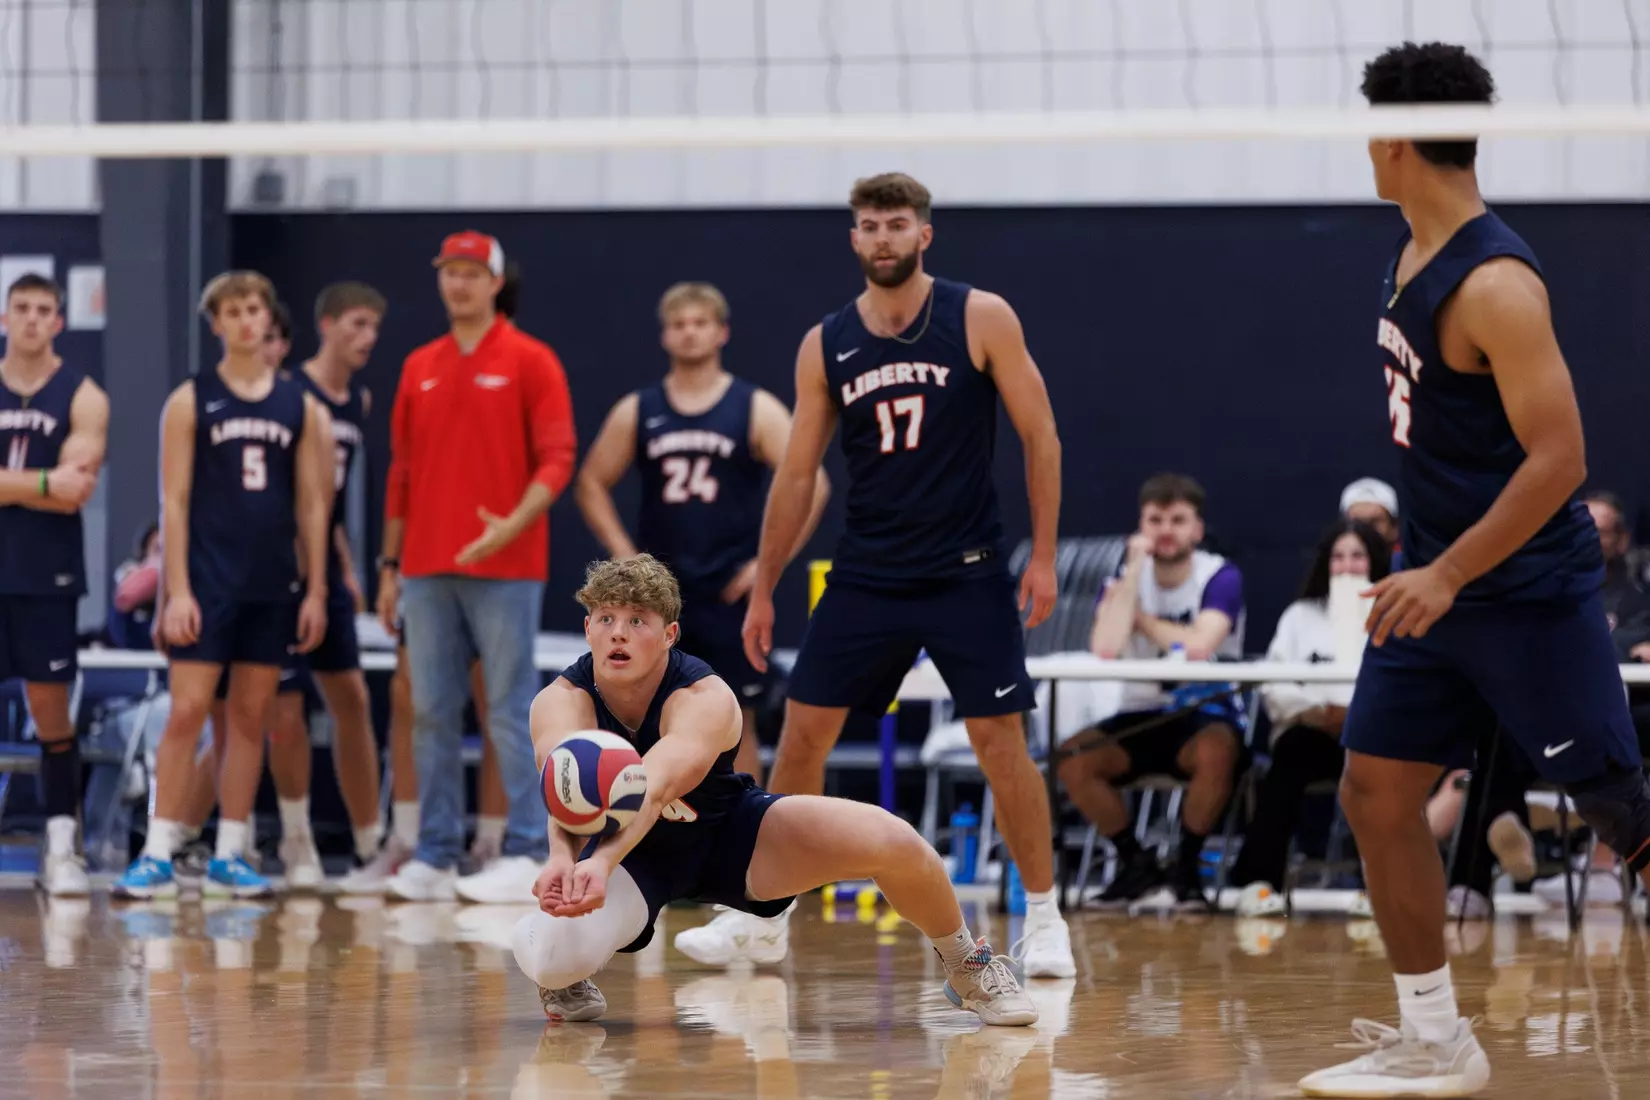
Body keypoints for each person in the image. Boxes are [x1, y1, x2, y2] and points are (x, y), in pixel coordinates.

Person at [1300, 43, 1650, 1098]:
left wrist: (1446, 571)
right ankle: (1435, 1039)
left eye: (1371, 127)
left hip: (1521, 598)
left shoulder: (1495, 281)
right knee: (1374, 789)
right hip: (1435, 584)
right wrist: (1431, 569)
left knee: (1626, 819)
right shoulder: (1410, 249)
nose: (1365, 146)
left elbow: (1564, 460)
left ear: (1397, 137)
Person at [689, 172, 1075, 978]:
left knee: (1002, 744)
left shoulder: (979, 315)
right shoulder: (825, 341)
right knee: (800, 739)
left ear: (924, 234)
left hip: (966, 570)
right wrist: (764, 586)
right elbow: (796, 474)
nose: (883, 238)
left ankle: (1044, 919)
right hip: (867, 572)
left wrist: (1041, 555)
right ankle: (765, 918)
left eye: (897, 224)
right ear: (854, 238)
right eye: (868, 226)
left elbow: (1042, 436)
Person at [511, 555, 1038, 1028]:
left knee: (893, 839)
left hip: (728, 834)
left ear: (670, 634)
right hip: (632, 860)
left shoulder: (703, 695)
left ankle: (968, 966)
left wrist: (595, 864)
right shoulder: (560, 699)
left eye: (636, 622)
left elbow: (651, 787)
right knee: (555, 957)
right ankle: (562, 968)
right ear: (587, 628)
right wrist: (563, 856)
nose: (618, 635)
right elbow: (563, 786)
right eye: (606, 619)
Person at [112, 270, 332, 900]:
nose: (243, 321)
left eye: (253, 309)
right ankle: (158, 848)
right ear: (216, 324)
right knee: (186, 714)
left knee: (249, 717)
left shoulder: (302, 406)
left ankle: (231, 850)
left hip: (271, 583)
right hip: (206, 582)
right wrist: (174, 590)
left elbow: (314, 506)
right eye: (231, 312)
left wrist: (315, 590)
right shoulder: (190, 399)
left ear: (268, 319)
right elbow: (173, 501)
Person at [377, 231, 577, 904]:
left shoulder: (531, 360)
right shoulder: (420, 365)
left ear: (495, 281)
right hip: (426, 566)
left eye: (470, 272)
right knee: (430, 708)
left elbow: (558, 457)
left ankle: (525, 848)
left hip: (509, 564)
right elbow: (400, 472)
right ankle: (434, 852)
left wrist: (514, 523)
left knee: (511, 708)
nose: (457, 283)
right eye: (448, 272)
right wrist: (388, 566)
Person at [575, 281, 830, 781]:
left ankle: (749, 834)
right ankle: (652, 841)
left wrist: (766, 564)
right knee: (647, 720)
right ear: (665, 337)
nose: (689, 334)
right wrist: (625, 557)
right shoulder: (641, 408)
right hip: (655, 594)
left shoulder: (751, 405)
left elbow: (814, 484)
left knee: (736, 721)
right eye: (679, 325)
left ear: (721, 333)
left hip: (727, 590)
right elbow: (590, 482)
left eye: (699, 324)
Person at [1067, 473, 1247, 911]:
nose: (1166, 530)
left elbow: (1200, 645)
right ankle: (1136, 864)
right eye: (1155, 520)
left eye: (1178, 519)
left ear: (1197, 529)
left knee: (1218, 751)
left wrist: (1142, 621)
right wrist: (1131, 574)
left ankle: (1185, 867)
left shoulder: (1219, 575)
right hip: (1140, 711)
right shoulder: (1125, 579)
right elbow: (1105, 647)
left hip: (1204, 710)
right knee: (1073, 760)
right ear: (1140, 528)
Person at [267, 282, 392, 892]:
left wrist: (340, 566)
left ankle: (370, 842)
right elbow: (291, 498)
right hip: (278, 571)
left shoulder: (358, 401)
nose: (367, 338)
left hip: (326, 569)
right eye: (358, 325)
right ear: (327, 323)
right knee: (279, 710)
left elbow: (330, 504)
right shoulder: (290, 393)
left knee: (353, 700)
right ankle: (296, 841)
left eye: (374, 328)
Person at [0, 273, 110, 896]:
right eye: (23, 308)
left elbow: (77, 488)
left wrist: (40, 489)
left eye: (45, 310)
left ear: (60, 322)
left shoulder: (84, 394)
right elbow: (56, 485)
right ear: (5, 316)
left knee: (49, 707)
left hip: (47, 571)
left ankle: (62, 844)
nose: (34, 319)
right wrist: (42, 484)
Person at [1229, 519, 1390, 917]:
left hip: (1373, 734)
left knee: (1385, 774)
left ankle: (1381, 887)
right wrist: (1315, 713)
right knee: (1289, 759)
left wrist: (1356, 715)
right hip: (1312, 731)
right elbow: (1276, 682)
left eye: (1357, 556)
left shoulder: (1393, 612)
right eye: (1338, 557)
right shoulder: (1300, 616)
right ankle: (1261, 883)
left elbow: (1403, 684)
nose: (1347, 565)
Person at [1340, 477, 1400, 551]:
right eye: (1357, 523)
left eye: (1374, 522)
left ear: (1394, 528)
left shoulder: (1411, 561)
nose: (1366, 530)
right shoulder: (1326, 561)